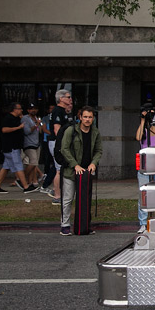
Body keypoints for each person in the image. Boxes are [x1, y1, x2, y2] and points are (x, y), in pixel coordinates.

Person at [59, 105, 102, 236]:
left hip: (86, 172)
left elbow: (98, 151)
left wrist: (93, 163)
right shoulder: (71, 131)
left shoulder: (95, 132)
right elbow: (64, 149)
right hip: (71, 171)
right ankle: (65, 225)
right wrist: (75, 165)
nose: (87, 119)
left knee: (85, 199)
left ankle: (84, 225)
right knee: (68, 198)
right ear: (80, 118)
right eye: (85, 117)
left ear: (93, 118)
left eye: (90, 117)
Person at [0, 102, 40, 194]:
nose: (21, 110)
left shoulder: (17, 118)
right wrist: (18, 128)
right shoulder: (8, 118)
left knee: (6, 167)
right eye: (20, 109)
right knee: (18, 166)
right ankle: (25, 187)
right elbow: (4, 129)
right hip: (11, 147)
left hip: (14, 147)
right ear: (14, 109)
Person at [48, 89, 74, 205]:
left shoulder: (65, 111)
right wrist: (63, 144)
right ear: (61, 99)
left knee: (61, 169)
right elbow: (57, 129)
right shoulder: (57, 111)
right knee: (59, 169)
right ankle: (57, 195)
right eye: (68, 97)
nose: (70, 99)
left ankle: (60, 192)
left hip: (62, 142)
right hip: (58, 143)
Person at [135, 102, 155, 234]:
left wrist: (153, 121)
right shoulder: (144, 128)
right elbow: (138, 137)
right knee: (143, 194)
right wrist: (143, 121)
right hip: (144, 164)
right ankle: (143, 223)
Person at [21, 103, 43, 186]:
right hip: (29, 144)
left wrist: (40, 125)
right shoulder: (25, 119)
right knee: (33, 162)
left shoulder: (37, 118)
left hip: (37, 143)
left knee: (34, 164)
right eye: (31, 109)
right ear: (28, 110)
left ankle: (32, 181)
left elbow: (40, 130)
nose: (34, 110)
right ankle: (21, 178)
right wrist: (36, 124)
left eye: (35, 108)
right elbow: (27, 131)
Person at [39, 104, 55, 193]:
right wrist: (53, 134)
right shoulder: (45, 118)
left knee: (57, 165)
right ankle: (46, 179)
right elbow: (44, 129)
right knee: (50, 160)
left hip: (54, 140)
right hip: (49, 140)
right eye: (51, 108)